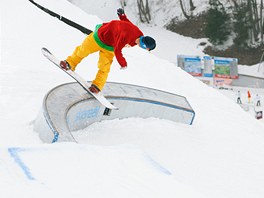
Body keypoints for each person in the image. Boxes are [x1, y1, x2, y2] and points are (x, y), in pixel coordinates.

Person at [60, 8, 156, 94]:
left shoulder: (139, 33)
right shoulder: (126, 37)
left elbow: (127, 23)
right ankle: (70, 63)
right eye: (146, 49)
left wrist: (122, 16)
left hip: (109, 46)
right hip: (99, 37)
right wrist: (123, 63)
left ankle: (97, 85)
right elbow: (118, 51)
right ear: (144, 45)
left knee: (104, 65)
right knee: (82, 50)